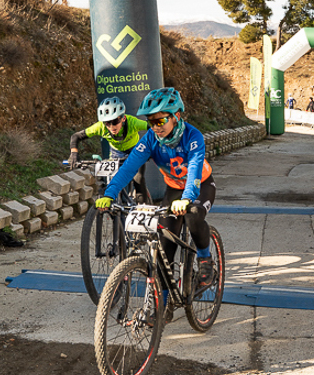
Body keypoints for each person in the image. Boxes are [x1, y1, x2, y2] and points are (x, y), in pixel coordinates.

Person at [95, 87, 217, 291]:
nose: (155, 127)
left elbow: (194, 170)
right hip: (174, 189)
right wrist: (110, 192)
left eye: (160, 121)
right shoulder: (151, 139)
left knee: (193, 215)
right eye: (151, 122)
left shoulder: (193, 136)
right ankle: (164, 303)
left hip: (200, 185)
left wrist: (187, 198)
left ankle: (205, 260)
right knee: (165, 248)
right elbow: (129, 168)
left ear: (176, 116)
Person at [69, 96, 148, 200]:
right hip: (116, 153)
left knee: (138, 178)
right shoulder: (100, 127)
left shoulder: (133, 122)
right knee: (111, 181)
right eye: (107, 123)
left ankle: (143, 204)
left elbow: (154, 127)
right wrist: (74, 153)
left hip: (135, 151)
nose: (111, 127)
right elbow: (76, 136)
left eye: (115, 121)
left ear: (123, 118)